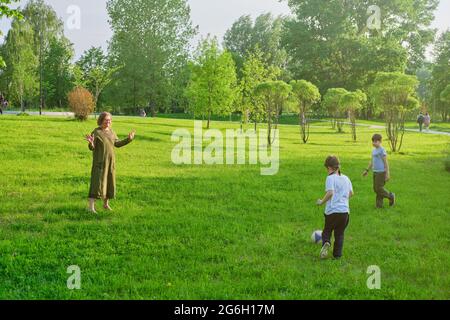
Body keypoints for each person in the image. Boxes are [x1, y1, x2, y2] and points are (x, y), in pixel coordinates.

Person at [85, 112, 136, 214]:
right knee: (96, 183)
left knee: (109, 182)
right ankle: (90, 207)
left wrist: (128, 139)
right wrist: (90, 143)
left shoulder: (112, 132)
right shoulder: (96, 132)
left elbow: (117, 144)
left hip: (110, 163)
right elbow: (92, 147)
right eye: (106, 120)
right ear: (101, 120)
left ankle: (105, 204)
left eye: (109, 120)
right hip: (99, 163)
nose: (108, 122)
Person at [316, 156, 354, 260]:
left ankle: (326, 242)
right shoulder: (346, 178)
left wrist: (321, 202)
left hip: (332, 211)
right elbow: (351, 193)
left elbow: (330, 192)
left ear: (329, 168)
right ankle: (337, 256)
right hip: (345, 212)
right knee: (340, 234)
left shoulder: (330, 178)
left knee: (327, 231)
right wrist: (342, 199)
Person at [363, 134, 395, 208]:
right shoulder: (374, 151)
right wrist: (367, 170)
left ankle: (390, 196)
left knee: (378, 188)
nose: (374, 143)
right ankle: (379, 205)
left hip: (381, 172)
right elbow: (372, 162)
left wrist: (387, 173)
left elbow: (385, 162)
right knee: (376, 188)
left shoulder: (382, 150)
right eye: (373, 141)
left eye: (376, 141)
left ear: (380, 141)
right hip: (375, 171)